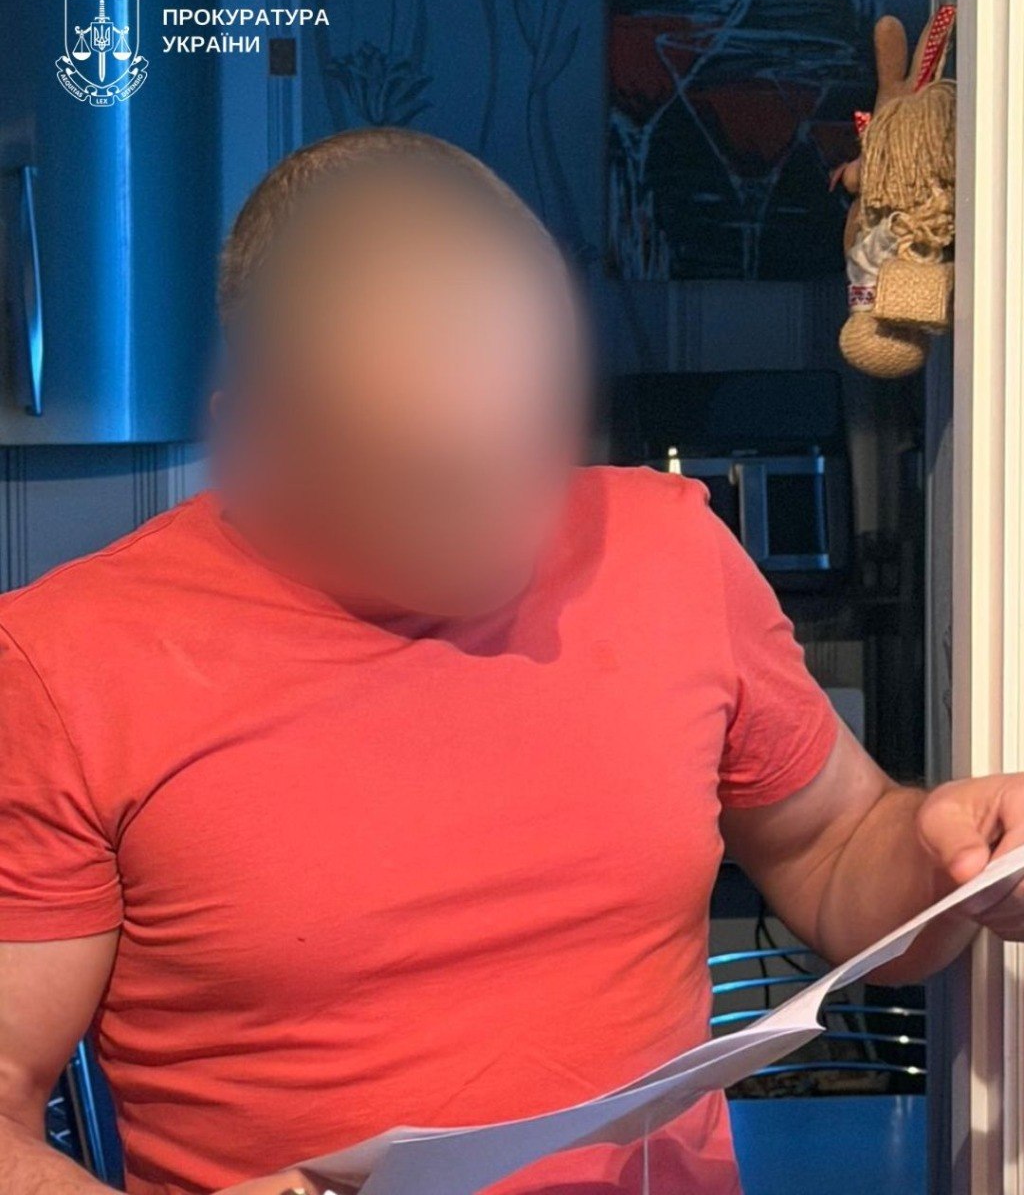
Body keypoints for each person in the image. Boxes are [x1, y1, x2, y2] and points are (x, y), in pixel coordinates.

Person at [0, 128, 1021, 1195]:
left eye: (531, 449)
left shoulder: (669, 547)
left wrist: (952, 863)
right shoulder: (67, 663)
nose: (509, 529)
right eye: (429, 484)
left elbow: (834, 847)